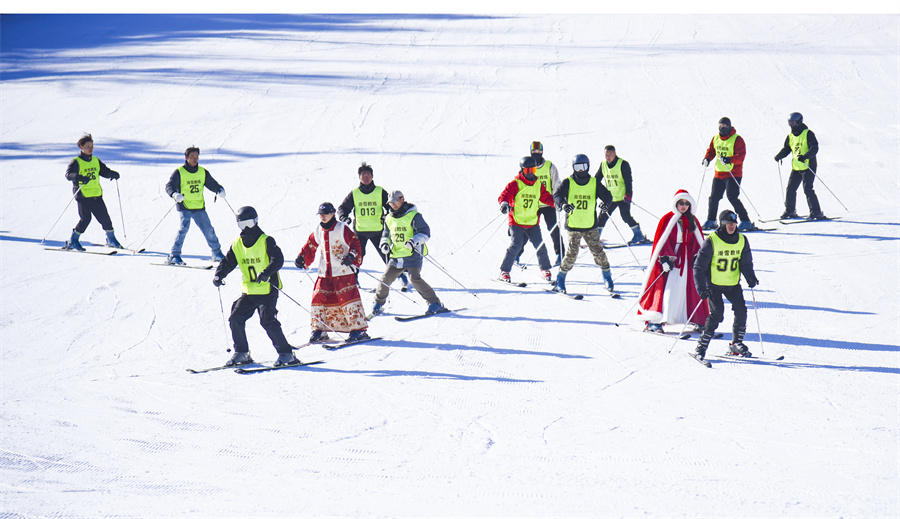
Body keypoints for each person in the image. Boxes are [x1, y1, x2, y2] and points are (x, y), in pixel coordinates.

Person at [213, 206, 298, 367]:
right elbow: (228, 261)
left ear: (256, 221)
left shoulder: (266, 240)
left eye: (249, 223)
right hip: (250, 291)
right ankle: (242, 353)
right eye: (241, 224)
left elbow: (278, 259)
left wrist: (266, 273)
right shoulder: (238, 243)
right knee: (236, 317)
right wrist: (219, 274)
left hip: (268, 290)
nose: (245, 227)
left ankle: (287, 354)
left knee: (267, 321)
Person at [637, 190, 709, 333]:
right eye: (681, 203)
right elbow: (661, 241)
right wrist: (665, 258)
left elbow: (697, 240)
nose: (684, 206)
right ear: (676, 203)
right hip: (672, 260)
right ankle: (655, 321)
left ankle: (698, 319)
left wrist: (697, 256)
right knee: (667, 288)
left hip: (687, 260)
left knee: (690, 289)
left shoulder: (693, 220)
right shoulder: (667, 219)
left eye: (687, 203)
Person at [295, 202, 369, 343]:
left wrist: (351, 256)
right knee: (318, 298)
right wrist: (302, 258)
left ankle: (358, 329)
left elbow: (355, 244)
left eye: (325, 214)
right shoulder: (318, 230)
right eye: (320, 214)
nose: (322, 217)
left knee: (348, 300)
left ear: (333, 213)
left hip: (342, 271)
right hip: (325, 272)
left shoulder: (342, 229)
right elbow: (311, 245)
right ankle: (319, 329)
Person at [692, 209, 759, 360]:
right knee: (717, 315)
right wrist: (701, 288)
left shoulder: (742, 240)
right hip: (714, 284)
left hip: (732, 283)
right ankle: (701, 347)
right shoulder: (712, 240)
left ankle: (736, 343)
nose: (731, 226)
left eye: (734, 224)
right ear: (722, 224)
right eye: (728, 224)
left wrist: (751, 277)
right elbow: (698, 266)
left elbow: (746, 262)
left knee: (741, 310)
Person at [369, 191, 445, 316]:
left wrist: (414, 241)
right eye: (391, 202)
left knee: (414, 278)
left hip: (412, 254)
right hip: (396, 255)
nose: (393, 205)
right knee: (385, 278)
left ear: (402, 199)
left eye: (395, 201)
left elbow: (425, 233)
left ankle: (435, 303)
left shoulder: (414, 215)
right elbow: (386, 234)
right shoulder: (389, 218)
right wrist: (384, 244)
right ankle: (378, 303)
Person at [336, 162, 409, 289]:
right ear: (359, 177)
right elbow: (343, 208)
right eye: (363, 175)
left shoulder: (380, 192)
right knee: (357, 255)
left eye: (368, 175)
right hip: (360, 231)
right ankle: (354, 278)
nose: (366, 177)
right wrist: (343, 216)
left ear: (372, 176)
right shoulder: (355, 193)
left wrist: (391, 215)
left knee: (387, 253)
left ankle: (400, 275)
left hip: (378, 230)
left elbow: (391, 205)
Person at [552, 154, 616, 294]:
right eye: (577, 167)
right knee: (571, 254)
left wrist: (606, 204)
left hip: (590, 226)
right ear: (573, 168)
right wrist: (563, 205)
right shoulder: (568, 182)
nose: (581, 171)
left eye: (583, 167)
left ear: (588, 167)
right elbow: (557, 195)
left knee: (598, 252)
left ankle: (607, 278)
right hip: (574, 226)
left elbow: (607, 195)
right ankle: (560, 280)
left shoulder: (593, 182)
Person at [164, 146, 226, 265]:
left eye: (196, 156)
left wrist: (219, 189)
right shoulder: (179, 172)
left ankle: (217, 253)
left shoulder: (202, 172)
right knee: (183, 229)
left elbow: (211, 183)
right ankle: (174, 255)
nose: (195, 159)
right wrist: (174, 194)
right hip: (185, 206)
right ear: (186, 158)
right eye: (192, 156)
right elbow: (169, 186)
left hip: (198, 206)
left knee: (208, 230)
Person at [498, 156, 556, 283]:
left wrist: (558, 203)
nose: (530, 174)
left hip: (532, 222)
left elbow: (546, 198)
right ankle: (505, 271)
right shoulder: (516, 183)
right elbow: (504, 195)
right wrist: (504, 204)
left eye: (533, 170)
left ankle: (545, 269)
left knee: (540, 246)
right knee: (516, 245)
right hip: (517, 221)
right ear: (522, 170)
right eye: (528, 171)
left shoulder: (538, 185)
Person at [62, 134, 124, 250]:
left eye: (92, 146)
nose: (90, 149)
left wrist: (112, 174)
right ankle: (73, 240)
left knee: (105, 219)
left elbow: (104, 171)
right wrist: (79, 177)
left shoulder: (95, 160)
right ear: (81, 147)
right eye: (87, 146)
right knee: (85, 219)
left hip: (96, 195)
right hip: (83, 195)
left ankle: (111, 239)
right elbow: (68, 175)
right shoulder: (76, 162)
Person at [701, 117, 754, 231]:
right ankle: (711, 220)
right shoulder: (716, 138)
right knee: (714, 198)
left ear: (729, 127)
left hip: (733, 173)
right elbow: (711, 150)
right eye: (720, 126)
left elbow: (741, 156)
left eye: (724, 127)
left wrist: (729, 159)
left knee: (732, 197)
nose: (721, 129)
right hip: (719, 173)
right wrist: (707, 158)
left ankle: (746, 221)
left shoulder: (737, 139)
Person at [774, 112, 826, 220]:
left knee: (808, 189)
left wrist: (806, 156)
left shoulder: (808, 133)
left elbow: (814, 148)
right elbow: (787, 149)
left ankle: (816, 212)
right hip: (796, 167)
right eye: (790, 123)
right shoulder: (790, 136)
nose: (791, 125)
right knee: (791, 188)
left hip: (808, 166)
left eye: (793, 122)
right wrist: (779, 156)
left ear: (799, 122)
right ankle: (790, 211)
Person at [596, 145, 647, 245]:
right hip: (610, 197)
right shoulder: (603, 165)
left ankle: (638, 235)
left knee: (625, 216)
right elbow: (597, 179)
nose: (608, 157)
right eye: (606, 155)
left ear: (615, 153)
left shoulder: (623, 164)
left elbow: (628, 181)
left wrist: (629, 194)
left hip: (622, 197)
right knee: (602, 217)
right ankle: (595, 238)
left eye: (610, 154)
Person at [525, 141, 564, 265]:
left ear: (542, 152)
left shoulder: (549, 166)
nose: (537, 154)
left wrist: (558, 200)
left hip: (548, 204)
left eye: (539, 151)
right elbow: (521, 184)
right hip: (533, 204)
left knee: (553, 229)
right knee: (527, 228)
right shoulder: (527, 167)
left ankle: (560, 253)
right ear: (530, 152)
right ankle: (517, 255)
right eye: (534, 152)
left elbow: (556, 184)